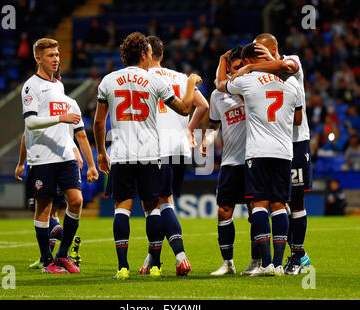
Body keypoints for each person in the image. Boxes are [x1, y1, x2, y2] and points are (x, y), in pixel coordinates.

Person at [93, 32, 202, 280]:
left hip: (121, 153)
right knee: (153, 208)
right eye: (150, 53)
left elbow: (99, 123)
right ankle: (154, 265)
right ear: (143, 54)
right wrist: (191, 85)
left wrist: (101, 152)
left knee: (122, 208)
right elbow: (185, 108)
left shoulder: (108, 81)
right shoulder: (154, 81)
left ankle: (122, 268)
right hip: (151, 155)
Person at [216, 42, 303, 276]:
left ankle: (265, 264)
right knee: (279, 207)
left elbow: (220, 84)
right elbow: (298, 118)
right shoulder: (292, 82)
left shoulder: (247, 81)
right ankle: (277, 264)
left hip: (258, 152)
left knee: (260, 206)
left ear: (249, 62)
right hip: (285, 152)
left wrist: (238, 69)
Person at [233, 33, 312, 275]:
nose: (257, 56)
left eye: (261, 51)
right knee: (275, 202)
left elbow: (284, 66)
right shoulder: (257, 74)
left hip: (296, 142)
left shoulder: (292, 61)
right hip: (273, 145)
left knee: (295, 200)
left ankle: (297, 256)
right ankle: (273, 259)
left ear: (274, 49)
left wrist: (251, 67)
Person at [21, 37, 98, 274]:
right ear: (38, 58)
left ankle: (62, 255)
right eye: (51, 56)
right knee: (44, 207)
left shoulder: (59, 87)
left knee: (76, 201)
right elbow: (31, 122)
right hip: (43, 158)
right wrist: (60, 118)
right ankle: (47, 261)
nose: (56, 59)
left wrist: (75, 150)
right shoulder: (30, 86)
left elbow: (73, 131)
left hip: (64, 156)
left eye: (57, 55)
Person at [137, 36, 209, 277]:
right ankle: (152, 260)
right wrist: (188, 130)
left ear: (144, 54)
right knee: (166, 202)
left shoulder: (143, 79)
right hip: (179, 148)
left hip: (156, 147)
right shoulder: (179, 77)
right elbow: (204, 106)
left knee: (155, 205)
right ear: (162, 55)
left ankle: (180, 257)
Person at [201, 45, 250, 276]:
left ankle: (258, 262)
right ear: (228, 66)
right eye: (236, 66)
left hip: (253, 160)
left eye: (243, 66)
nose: (239, 71)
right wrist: (206, 143)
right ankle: (228, 263)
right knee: (224, 211)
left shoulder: (252, 86)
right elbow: (213, 125)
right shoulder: (217, 95)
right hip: (231, 161)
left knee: (256, 212)